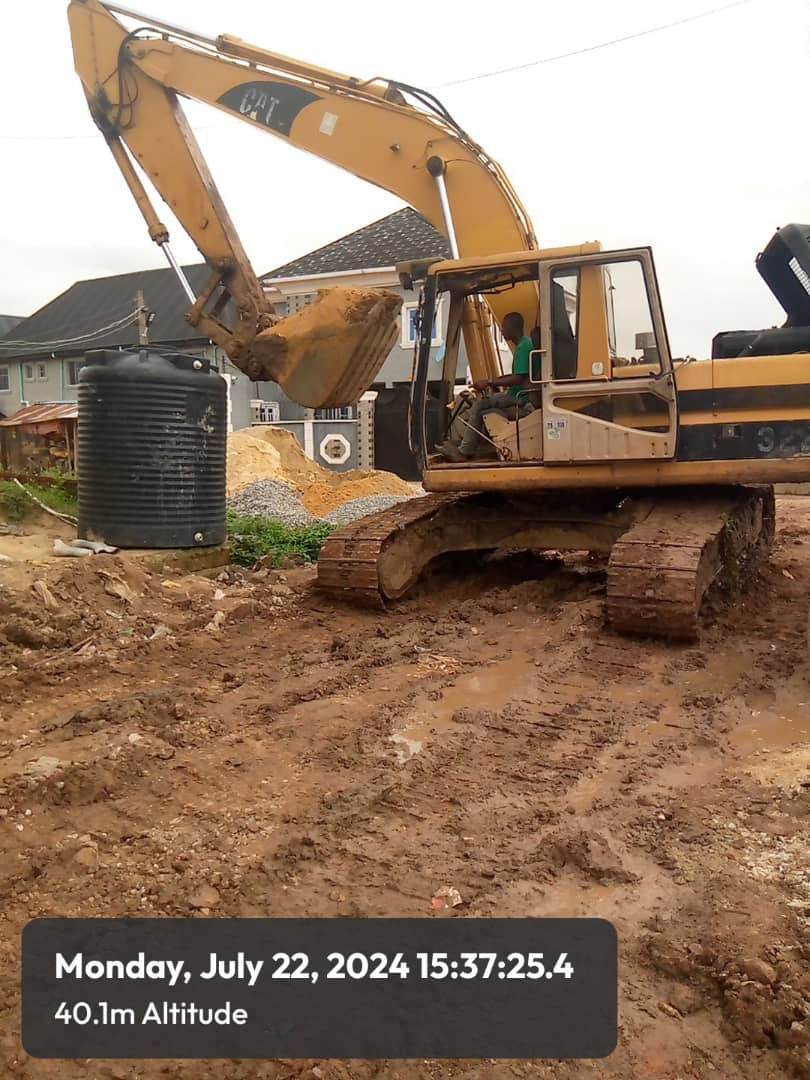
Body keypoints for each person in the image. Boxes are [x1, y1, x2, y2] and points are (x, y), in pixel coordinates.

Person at [439, 311, 534, 461]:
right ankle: (480, 447)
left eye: (504, 327)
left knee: (480, 405)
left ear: (513, 327)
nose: (502, 331)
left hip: (520, 398)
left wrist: (489, 382)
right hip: (518, 395)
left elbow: (519, 378)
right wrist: (493, 382)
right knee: (487, 409)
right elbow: (516, 375)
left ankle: (464, 451)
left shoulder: (523, 346)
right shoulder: (524, 344)